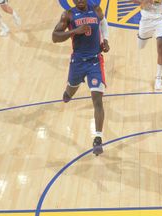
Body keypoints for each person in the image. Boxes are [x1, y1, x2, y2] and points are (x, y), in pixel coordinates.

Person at [52, 0, 110, 156]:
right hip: (77, 61)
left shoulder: (97, 10)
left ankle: (98, 138)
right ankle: (68, 93)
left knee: (97, 99)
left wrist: (105, 40)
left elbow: (104, 24)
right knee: (71, 89)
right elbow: (54, 37)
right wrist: (74, 32)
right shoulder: (69, 15)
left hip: (95, 61)